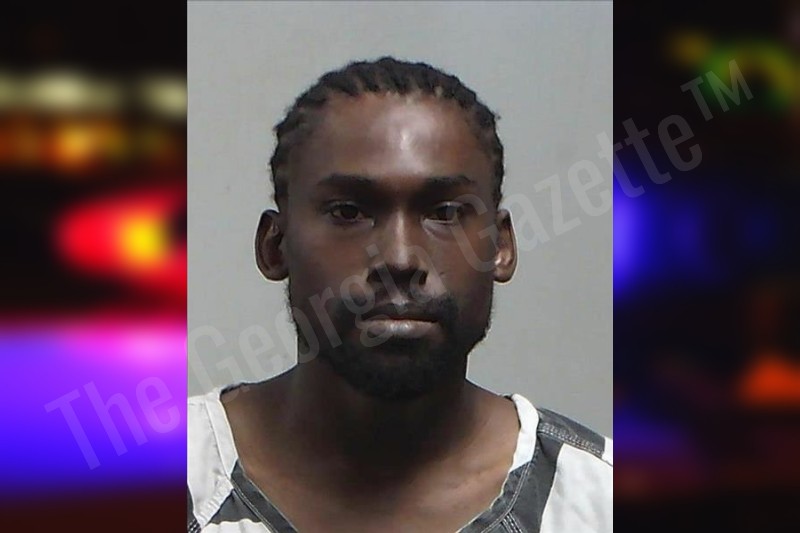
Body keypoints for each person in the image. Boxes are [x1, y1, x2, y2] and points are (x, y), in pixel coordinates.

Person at [187, 56, 612, 533]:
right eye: (348, 212)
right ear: (275, 245)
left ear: (501, 247)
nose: (400, 258)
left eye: (445, 213)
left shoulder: (596, 502)